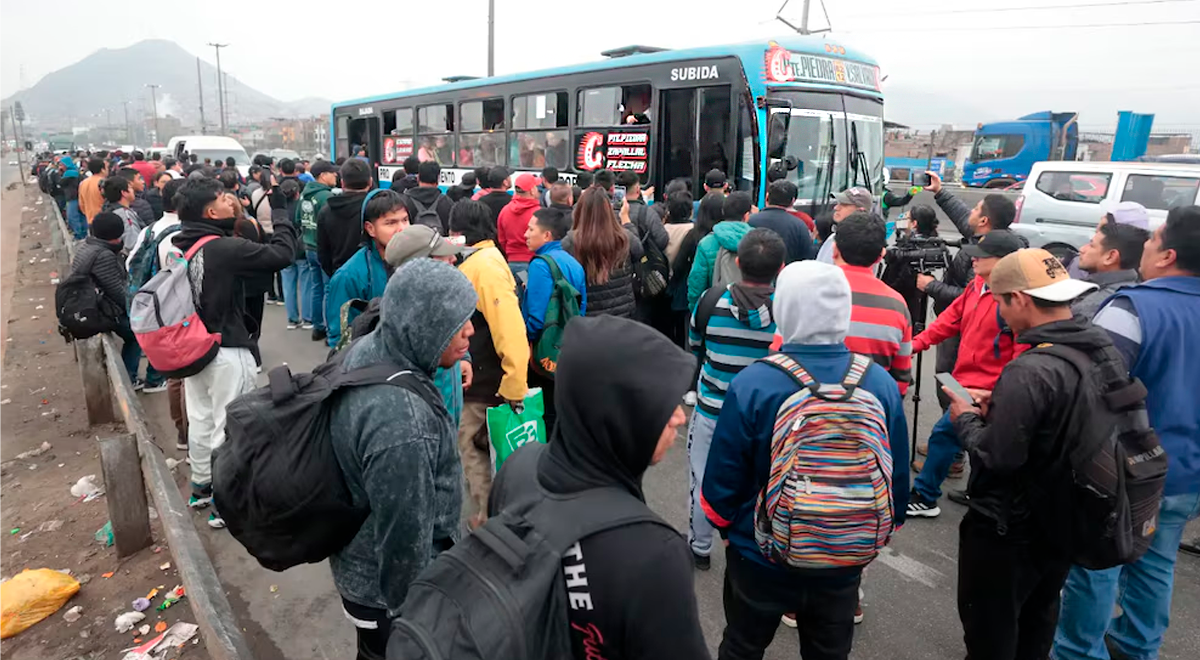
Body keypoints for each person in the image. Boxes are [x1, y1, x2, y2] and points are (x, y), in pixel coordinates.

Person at [702, 260, 909, 660]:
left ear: (786, 308)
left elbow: (724, 476)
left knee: (743, 645)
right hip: (844, 553)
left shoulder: (757, 381)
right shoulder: (877, 381)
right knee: (829, 651)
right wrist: (878, 526)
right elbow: (895, 471)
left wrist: (727, 527)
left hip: (760, 551)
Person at [487, 315, 710, 660]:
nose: (680, 416)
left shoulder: (519, 466)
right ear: (620, 414)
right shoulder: (655, 554)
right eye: (663, 403)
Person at [1053, 206, 1200, 660]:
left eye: (1153, 241)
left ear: (1167, 254)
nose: (1148, 247)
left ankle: (1078, 651)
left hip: (1122, 471)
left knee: (1098, 567)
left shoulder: (1133, 308)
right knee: (1157, 560)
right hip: (1186, 472)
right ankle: (1138, 646)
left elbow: (1088, 390)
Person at [943, 247, 1104, 660]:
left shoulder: (1030, 369)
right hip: (1064, 518)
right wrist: (1000, 404)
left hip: (1008, 528)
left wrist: (965, 417)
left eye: (999, 302)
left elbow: (999, 456)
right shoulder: (1097, 350)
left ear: (1021, 300)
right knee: (1038, 622)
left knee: (991, 633)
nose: (1000, 313)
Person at [328, 258, 477, 660]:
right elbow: (403, 538)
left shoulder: (374, 349)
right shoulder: (402, 424)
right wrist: (415, 618)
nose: (470, 331)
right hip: (387, 596)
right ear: (423, 326)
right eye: (456, 322)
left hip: (360, 568)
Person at [171, 177, 298, 529]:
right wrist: (283, 215)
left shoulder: (178, 244)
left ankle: (201, 488)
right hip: (227, 348)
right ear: (210, 211)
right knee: (233, 428)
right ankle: (226, 504)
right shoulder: (224, 248)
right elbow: (282, 255)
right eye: (224, 199)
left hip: (194, 347)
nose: (232, 201)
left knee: (201, 419)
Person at [906, 229, 1026, 518]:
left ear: (1003, 262)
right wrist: (914, 344)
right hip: (964, 380)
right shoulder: (976, 286)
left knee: (944, 435)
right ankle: (979, 492)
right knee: (974, 445)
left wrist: (999, 393)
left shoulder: (1014, 301)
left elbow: (1022, 356)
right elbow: (949, 321)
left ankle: (925, 495)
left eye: (981, 257)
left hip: (986, 390)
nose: (973, 260)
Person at [685, 228, 784, 571]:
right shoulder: (786, 312)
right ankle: (754, 544)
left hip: (713, 408)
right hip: (767, 416)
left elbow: (695, 347)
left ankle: (699, 546)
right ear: (781, 267)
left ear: (738, 262)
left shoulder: (710, 301)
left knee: (702, 477)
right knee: (761, 482)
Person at [448, 200, 529, 529]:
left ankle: (488, 521)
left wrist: (513, 382)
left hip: (485, 380)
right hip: (486, 376)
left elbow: (509, 329)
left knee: (474, 450)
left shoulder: (484, 267)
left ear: (458, 231)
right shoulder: (485, 258)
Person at [522, 206, 587, 434]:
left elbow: (536, 320)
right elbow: (581, 308)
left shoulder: (540, 265)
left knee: (544, 414)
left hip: (543, 353)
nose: (526, 234)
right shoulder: (574, 264)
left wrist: (525, 344)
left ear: (547, 235)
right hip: (568, 349)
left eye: (531, 229)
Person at [833, 212, 913, 395]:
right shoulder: (897, 305)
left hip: (805, 413)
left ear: (834, 249)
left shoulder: (806, 293)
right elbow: (901, 381)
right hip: (871, 410)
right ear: (880, 256)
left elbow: (777, 352)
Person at [325, 189, 409, 349]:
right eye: (391, 223)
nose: (401, 229)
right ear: (370, 228)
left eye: (405, 220)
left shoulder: (420, 261)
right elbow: (342, 340)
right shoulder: (349, 277)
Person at [72, 212, 142, 383]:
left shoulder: (87, 247)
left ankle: (127, 377)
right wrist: (136, 308)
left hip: (88, 304)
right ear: (119, 233)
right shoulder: (104, 255)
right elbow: (117, 291)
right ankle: (128, 379)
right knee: (135, 335)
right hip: (101, 310)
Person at [562, 187, 644, 318]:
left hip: (587, 316)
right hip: (622, 314)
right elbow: (639, 251)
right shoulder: (624, 237)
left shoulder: (571, 241)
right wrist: (626, 220)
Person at [1070, 207, 1149, 318]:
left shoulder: (1091, 307)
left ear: (1110, 257)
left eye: (1092, 245)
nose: (1082, 249)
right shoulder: (1136, 289)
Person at [687, 192, 753, 310]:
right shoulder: (760, 242)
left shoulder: (707, 242)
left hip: (715, 310)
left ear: (723, 212)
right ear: (747, 216)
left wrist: (696, 310)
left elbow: (696, 281)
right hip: (752, 309)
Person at [298, 160, 339, 342]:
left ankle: (318, 327)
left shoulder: (305, 194)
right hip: (323, 247)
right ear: (323, 175)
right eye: (332, 173)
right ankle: (331, 328)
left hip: (308, 244)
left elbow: (297, 218)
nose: (336, 175)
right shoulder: (325, 197)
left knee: (317, 287)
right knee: (329, 288)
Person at [318, 158, 374, 280]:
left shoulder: (326, 211)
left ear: (342, 183)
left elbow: (323, 253)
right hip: (370, 275)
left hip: (338, 274)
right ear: (370, 182)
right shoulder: (374, 208)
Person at [749, 179, 814, 263]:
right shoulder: (800, 226)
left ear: (767, 197)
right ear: (793, 201)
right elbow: (806, 258)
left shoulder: (749, 221)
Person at [496, 172, 543, 277]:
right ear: (532, 190)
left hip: (510, 263)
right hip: (531, 263)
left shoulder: (505, 210)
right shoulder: (538, 213)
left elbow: (502, 239)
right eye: (536, 186)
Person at [816, 187, 873, 264]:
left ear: (860, 210)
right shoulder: (834, 236)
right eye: (838, 203)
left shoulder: (861, 244)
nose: (836, 207)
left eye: (844, 204)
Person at [402, 160, 452, 234]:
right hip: (440, 244)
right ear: (438, 178)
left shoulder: (404, 202)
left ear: (418, 177)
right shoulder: (448, 203)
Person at [100, 176, 143, 251]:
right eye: (130, 188)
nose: (133, 191)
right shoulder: (124, 214)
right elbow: (132, 243)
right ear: (124, 193)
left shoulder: (108, 209)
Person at [59, 156, 85, 239]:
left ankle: (78, 235)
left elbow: (61, 183)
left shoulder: (68, 173)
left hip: (73, 198)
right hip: (80, 197)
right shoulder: (76, 171)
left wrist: (60, 173)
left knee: (72, 217)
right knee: (81, 217)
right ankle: (84, 234)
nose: (60, 166)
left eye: (62, 164)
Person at [79, 156, 108, 224]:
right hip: (105, 219)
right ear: (102, 169)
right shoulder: (105, 183)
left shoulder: (83, 183)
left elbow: (81, 204)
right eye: (107, 168)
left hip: (90, 219)